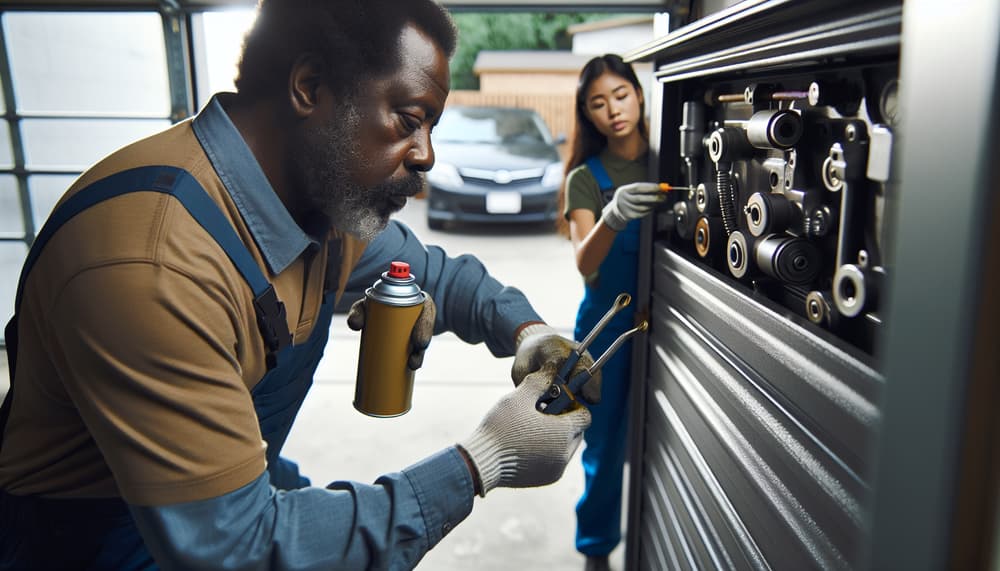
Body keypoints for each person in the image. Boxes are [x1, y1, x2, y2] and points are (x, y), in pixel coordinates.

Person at [0, 2, 597, 569]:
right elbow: (237, 548)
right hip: (108, 542)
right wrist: (483, 460)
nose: (427, 157)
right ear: (310, 87)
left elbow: (438, 274)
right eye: (410, 120)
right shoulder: (153, 266)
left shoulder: (321, 203)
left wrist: (528, 332)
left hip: (230, 486)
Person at [556, 54, 665, 571]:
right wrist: (613, 216)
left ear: (639, 95)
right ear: (588, 114)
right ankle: (597, 550)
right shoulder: (586, 178)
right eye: (598, 103)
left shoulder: (670, 164)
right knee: (603, 446)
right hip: (607, 330)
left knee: (659, 440)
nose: (613, 110)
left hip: (668, 325)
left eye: (620, 95)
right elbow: (586, 262)